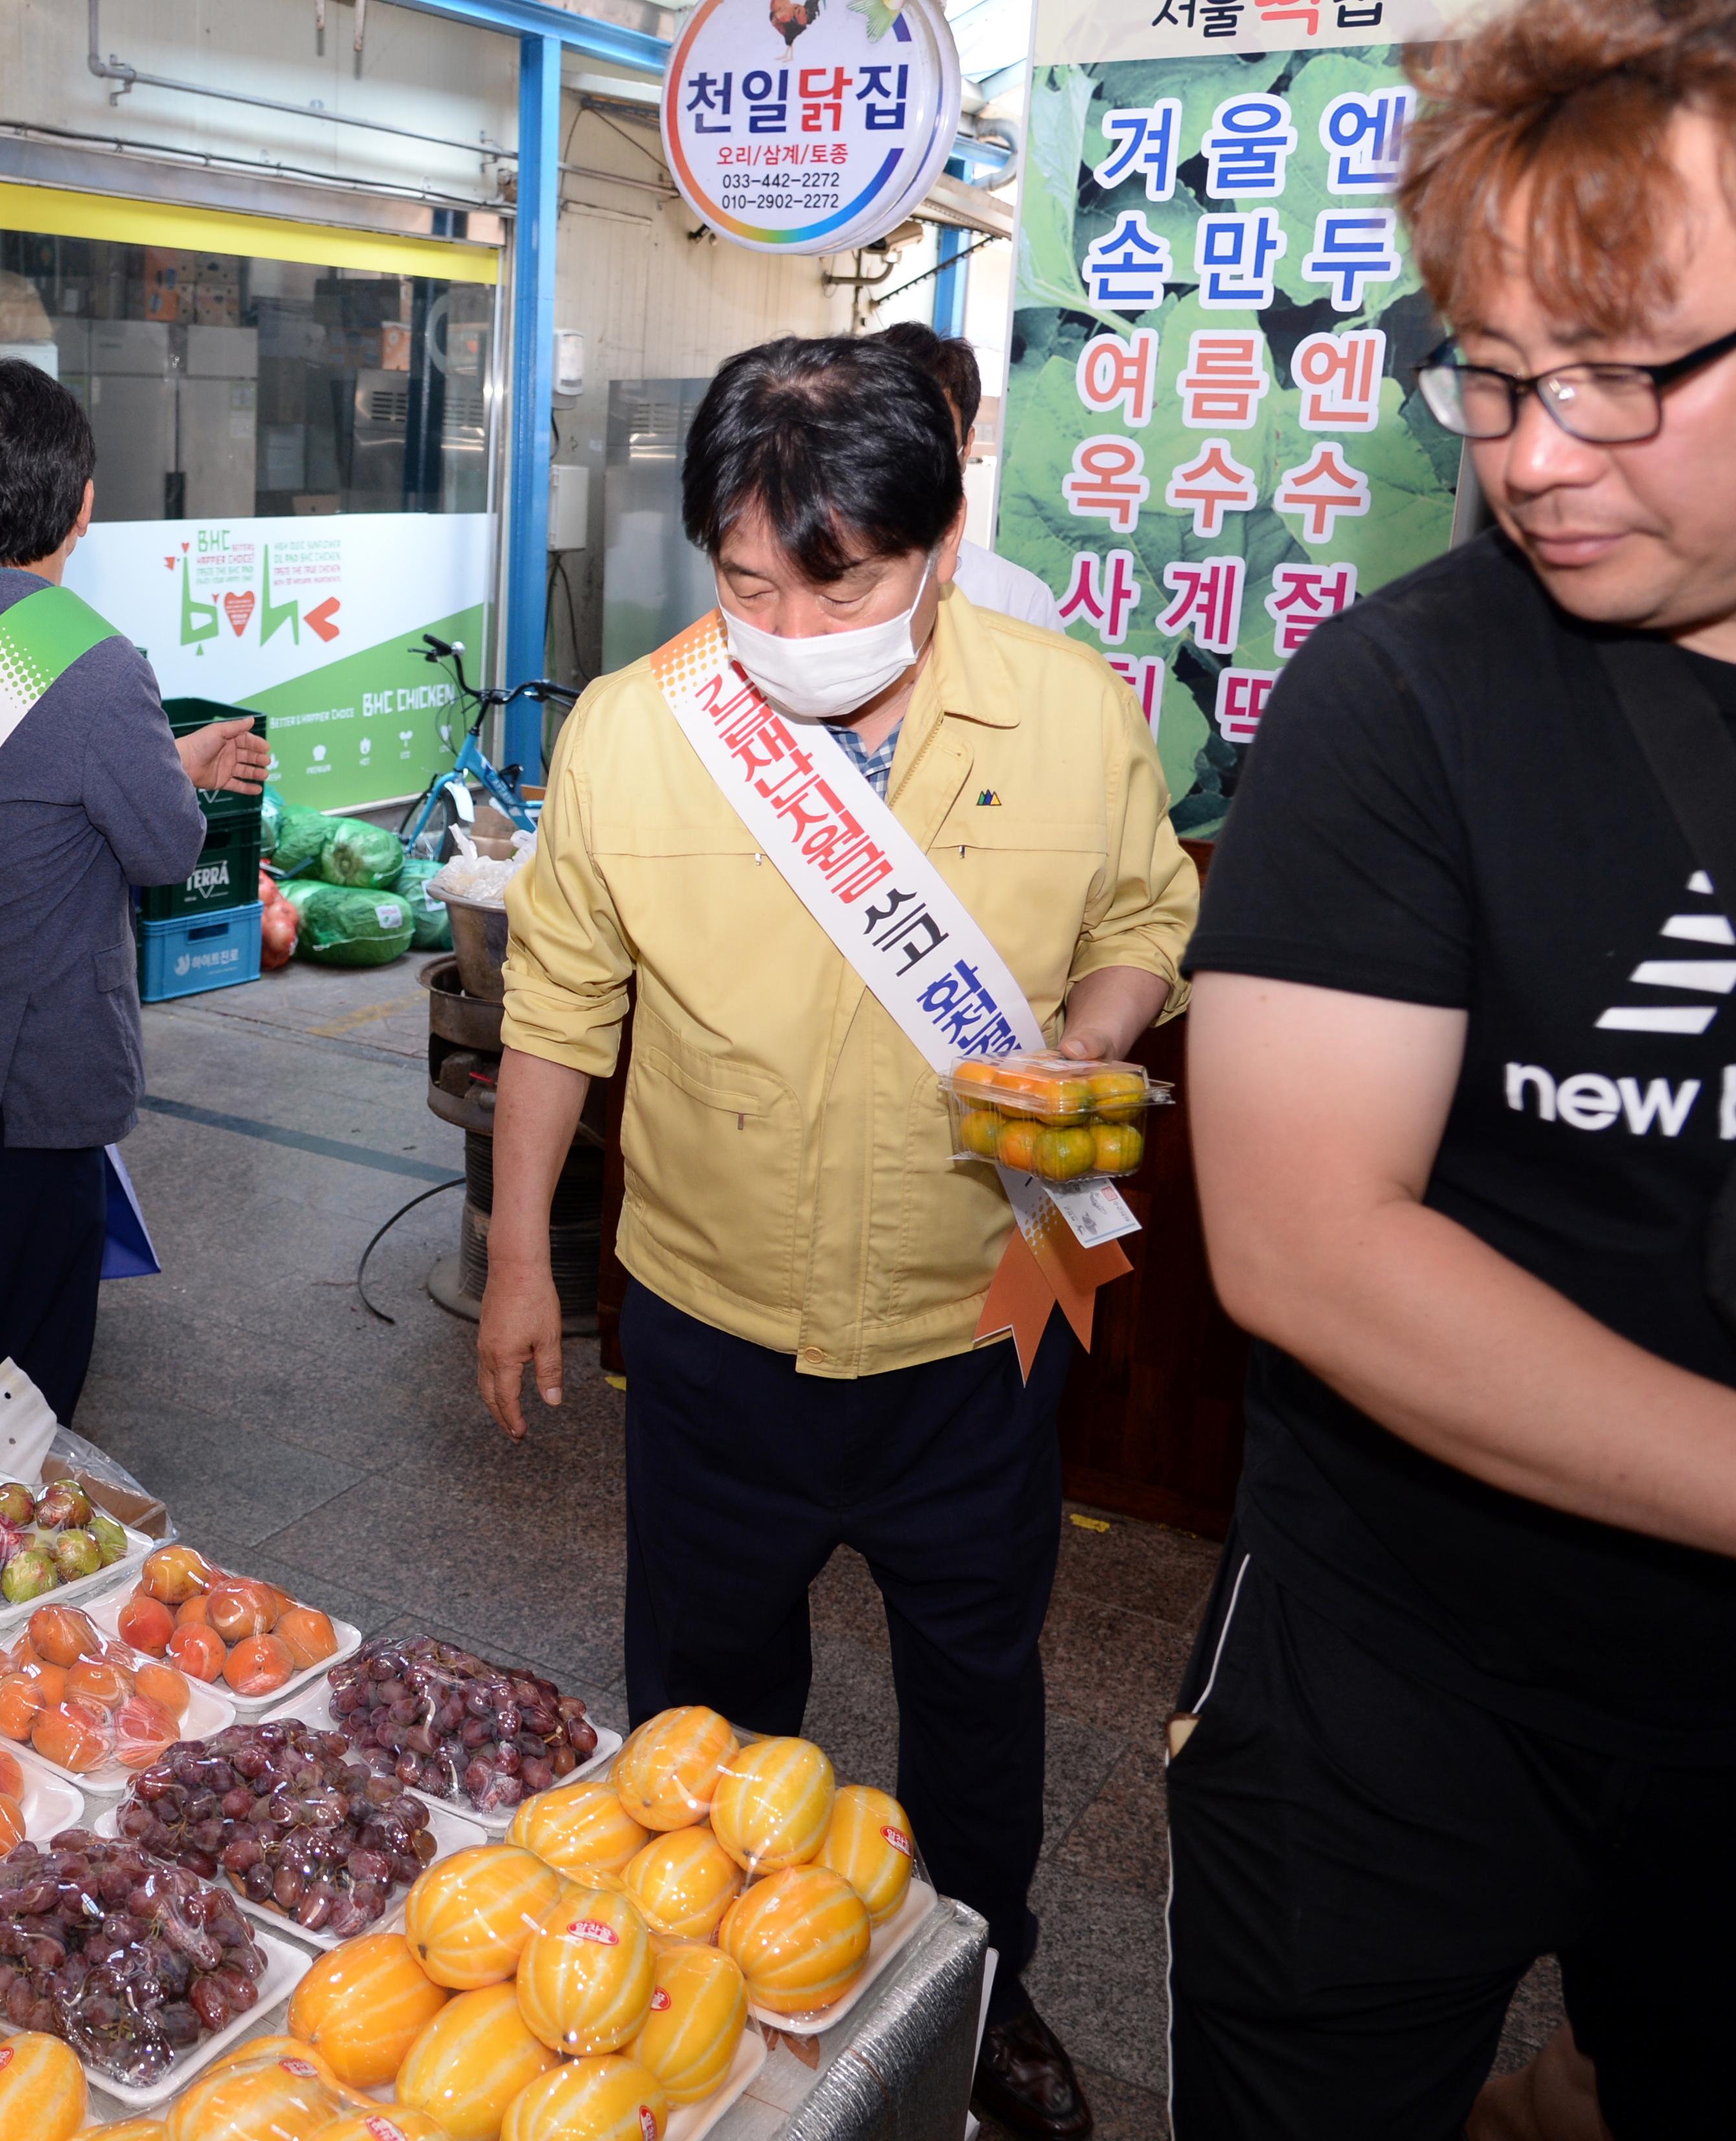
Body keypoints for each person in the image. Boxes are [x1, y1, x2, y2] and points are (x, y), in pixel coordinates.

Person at [1168, 4, 1736, 2136]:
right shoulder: (1399, 699)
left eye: (1621, 375)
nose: (1530, 455)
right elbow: (1302, 1240)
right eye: (1492, 377)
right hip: (1399, 1659)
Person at [480, 335, 1198, 2141]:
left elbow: (1145, 909)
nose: (790, 624)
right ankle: (712, 1991)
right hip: (715, 1325)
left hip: (979, 1318)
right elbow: (560, 1001)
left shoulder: (1065, 707)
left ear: (938, 543)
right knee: (710, 1709)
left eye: (841, 580)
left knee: (975, 1691)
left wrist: (1095, 1031)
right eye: (744, 581)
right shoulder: (642, 727)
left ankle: (984, 1987)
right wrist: (513, 1260)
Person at [0, 359, 269, 1421]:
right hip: (32, 1085)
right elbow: (165, 850)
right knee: (30, 1381)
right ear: (84, 507)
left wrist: (165, 754)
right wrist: (172, 769)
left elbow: (17, 796)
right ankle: (5, 1557)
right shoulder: (95, 667)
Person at [876, 322, 1060, 629]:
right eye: (883, 433)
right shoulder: (790, 578)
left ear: (966, 446)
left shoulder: (1019, 603)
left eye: (934, 438)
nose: (908, 459)